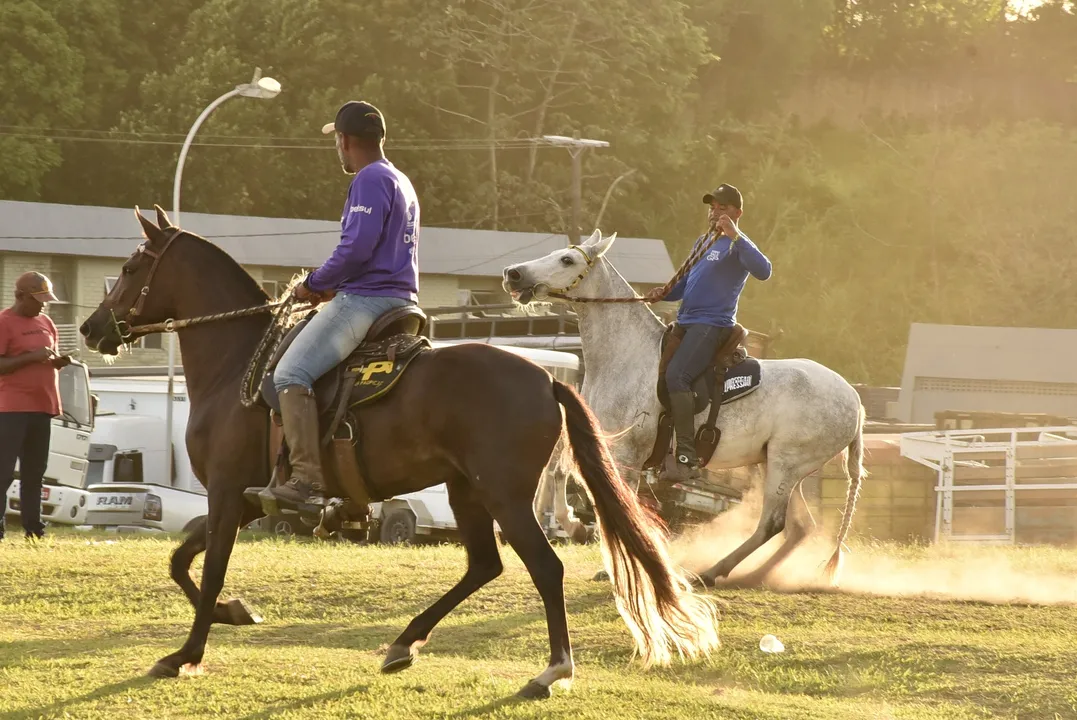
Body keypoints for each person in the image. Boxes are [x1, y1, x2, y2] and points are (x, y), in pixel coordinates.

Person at [269, 100, 421, 507]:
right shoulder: (399, 179)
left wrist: (312, 284)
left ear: (345, 139)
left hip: (368, 300)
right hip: (400, 298)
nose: (337, 147)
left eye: (336, 140)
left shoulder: (370, 179)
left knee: (290, 374)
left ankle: (305, 480)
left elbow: (355, 248)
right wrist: (331, 288)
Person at [645, 184, 772, 482]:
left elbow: (764, 271)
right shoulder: (702, 242)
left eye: (723, 208)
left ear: (737, 213)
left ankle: (686, 454)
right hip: (686, 320)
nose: (715, 212)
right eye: (712, 207)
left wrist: (735, 236)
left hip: (712, 323)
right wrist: (662, 293)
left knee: (678, 376)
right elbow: (683, 283)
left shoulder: (737, 244)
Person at [0, 272, 73, 541]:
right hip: (11, 408)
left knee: (35, 472)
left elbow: (48, 357)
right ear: (20, 296)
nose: (44, 305)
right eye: (38, 299)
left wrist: (57, 362)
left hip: (43, 405)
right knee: (3, 471)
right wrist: (32, 357)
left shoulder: (46, 322)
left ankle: (33, 528)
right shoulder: (4, 322)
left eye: (46, 299)